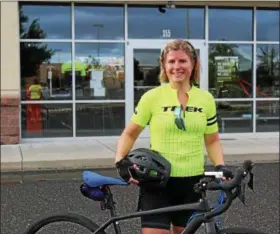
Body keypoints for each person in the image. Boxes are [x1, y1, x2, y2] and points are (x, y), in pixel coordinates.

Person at [115, 39, 233, 234]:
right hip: (157, 182)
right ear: (164, 65)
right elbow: (129, 133)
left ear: (193, 63)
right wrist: (120, 161)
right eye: (171, 62)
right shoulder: (152, 97)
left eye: (182, 61)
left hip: (192, 184)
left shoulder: (206, 100)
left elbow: (212, 140)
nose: (177, 67)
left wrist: (220, 166)